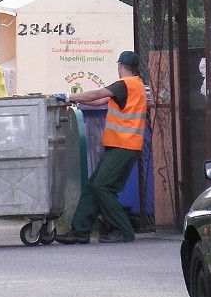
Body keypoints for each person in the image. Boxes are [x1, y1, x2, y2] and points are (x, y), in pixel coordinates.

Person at [53, 50, 147, 244]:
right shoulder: (135, 86)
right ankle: (80, 230)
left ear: (120, 67)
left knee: (102, 186)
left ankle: (123, 230)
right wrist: (75, 101)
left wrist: (69, 97)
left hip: (123, 145)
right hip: (122, 145)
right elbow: (99, 100)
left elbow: (97, 93)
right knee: (93, 186)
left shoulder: (125, 84)